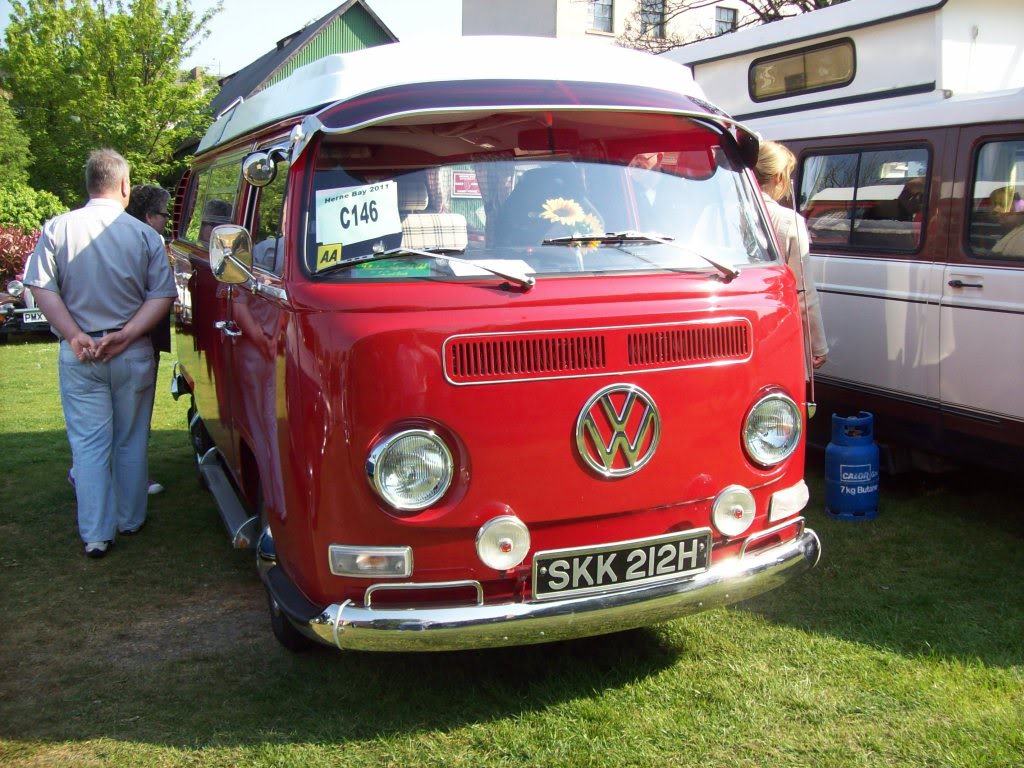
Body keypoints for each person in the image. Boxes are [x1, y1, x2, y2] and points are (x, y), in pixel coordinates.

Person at [24, 149, 176, 558]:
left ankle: (96, 533)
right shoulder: (145, 235)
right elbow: (162, 294)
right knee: (130, 439)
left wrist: (74, 334)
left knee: (88, 445)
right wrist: (127, 335)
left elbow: (41, 287)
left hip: (81, 353)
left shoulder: (57, 228)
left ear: (89, 183)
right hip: (131, 352)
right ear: (125, 186)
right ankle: (130, 518)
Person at [754, 140, 828, 372]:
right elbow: (804, 294)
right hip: (776, 332)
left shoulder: (719, 213)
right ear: (777, 176)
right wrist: (818, 345)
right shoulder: (788, 221)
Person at [125, 184, 174, 494]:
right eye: (163, 214)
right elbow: (160, 291)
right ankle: (134, 478)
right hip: (140, 336)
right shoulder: (148, 239)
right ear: (148, 215)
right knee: (135, 413)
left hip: (120, 335)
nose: (166, 221)